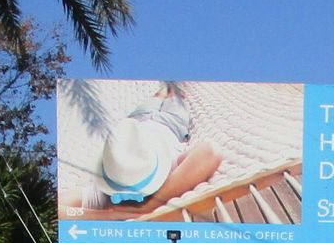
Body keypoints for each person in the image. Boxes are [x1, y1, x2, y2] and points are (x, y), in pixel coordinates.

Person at [65, 83, 222, 218]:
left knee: (157, 97)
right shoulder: (169, 172)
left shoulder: (104, 194)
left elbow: (59, 208)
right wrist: (151, 205)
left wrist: (111, 214)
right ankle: (171, 87)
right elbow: (210, 152)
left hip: (135, 122)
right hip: (170, 123)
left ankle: (165, 88)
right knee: (176, 96)